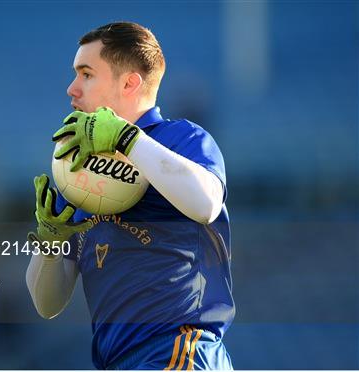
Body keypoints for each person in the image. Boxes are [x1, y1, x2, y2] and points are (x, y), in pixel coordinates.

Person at [26, 22, 234, 370]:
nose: (72, 89)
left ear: (129, 83)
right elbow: (47, 304)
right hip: (119, 362)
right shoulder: (76, 170)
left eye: (87, 74)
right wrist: (49, 243)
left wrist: (126, 139)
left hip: (179, 350)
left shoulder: (180, 139)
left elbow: (206, 204)